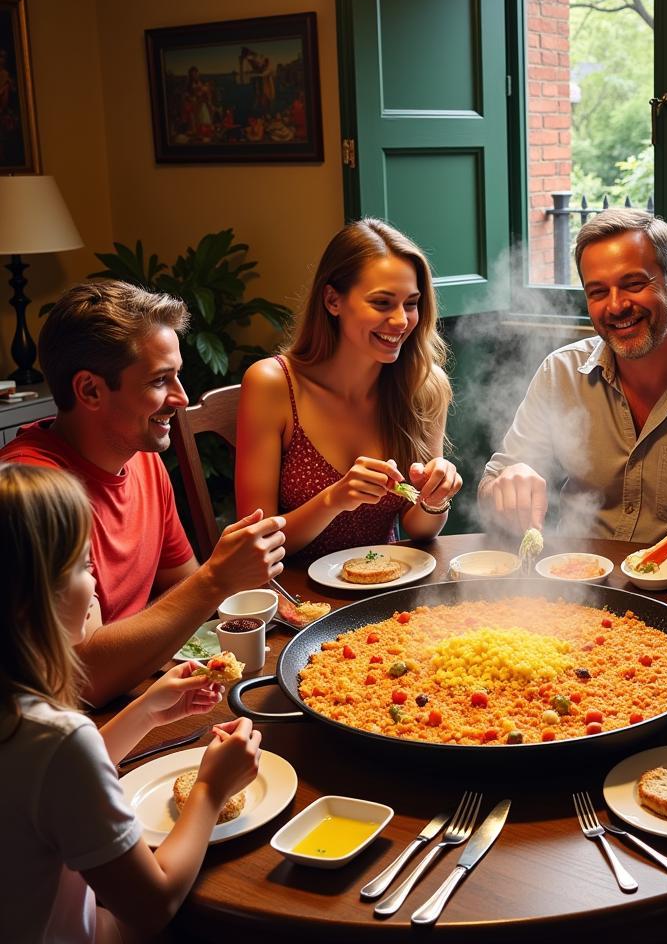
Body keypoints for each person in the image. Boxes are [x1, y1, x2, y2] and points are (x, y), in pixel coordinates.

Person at [0, 462, 263, 944]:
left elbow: (47, 780)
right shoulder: (59, 739)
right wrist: (210, 789)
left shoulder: (23, 724)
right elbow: (153, 904)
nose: (96, 580)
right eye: (81, 566)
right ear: (31, 601)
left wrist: (144, 712)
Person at [0, 282, 286, 706]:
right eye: (159, 380)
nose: (182, 398)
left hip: (140, 693)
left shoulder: (140, 455)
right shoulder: (34, 492)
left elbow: (181, 588)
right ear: (90, 390)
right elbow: (80, 681)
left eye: (178, 375)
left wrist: (221, 579)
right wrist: (215, 580)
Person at [479, 208, 667, 553]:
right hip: (580, 585)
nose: (616, 306)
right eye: (598, 292)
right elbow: (490, 487)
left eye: (633, 284)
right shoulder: (560, 373)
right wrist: (505, 487)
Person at [235, 219, 462, 559]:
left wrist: (434, 499)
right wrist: (333, 500)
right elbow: (256, 544)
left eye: (411, 304)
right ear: (332, 300)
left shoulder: (424, 386)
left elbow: (418, 528)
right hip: (296, 597)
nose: (401, 321)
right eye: (382, 303)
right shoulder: (272, 384)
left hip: (385, 591)